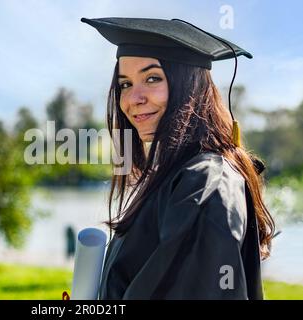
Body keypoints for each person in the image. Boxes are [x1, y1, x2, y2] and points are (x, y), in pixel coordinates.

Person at [81, 17, 275, 300]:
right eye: (125, 84)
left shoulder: (206, 183)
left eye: (152, 78)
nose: (133, 98)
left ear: (190, 86)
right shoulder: (174, 176)